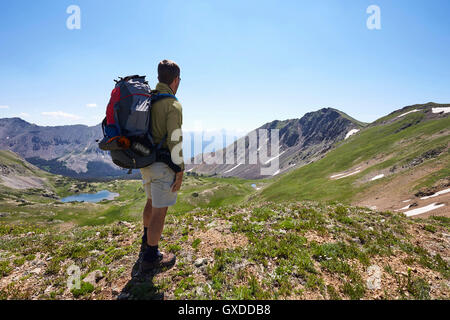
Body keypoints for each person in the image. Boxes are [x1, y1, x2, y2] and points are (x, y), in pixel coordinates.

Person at [140, 60, 185, 272]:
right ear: (175, 80)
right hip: (162, 166)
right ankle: (151, 256)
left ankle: (145, 241)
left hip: (145, 162)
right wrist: (180, 170)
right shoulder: (173, 105)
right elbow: (175, 140)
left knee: (150, 202)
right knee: (160, 212)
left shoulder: (149, 99)